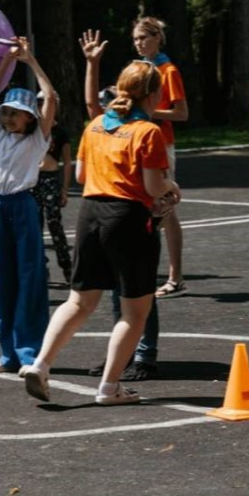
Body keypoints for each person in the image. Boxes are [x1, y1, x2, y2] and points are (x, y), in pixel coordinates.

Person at [23, 60, 179, 405]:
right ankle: (110, 388)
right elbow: (154, 187)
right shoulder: (148, 131)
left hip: (90, 215)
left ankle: (40, 363)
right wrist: (171, 184)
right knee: (134, 312)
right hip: (127, 219)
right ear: (153, 94)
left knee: (78, 301)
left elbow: (80, 176)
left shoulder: (95, 126)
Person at [80, 28, 162, 381]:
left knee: (138, 293)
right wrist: (92, 64)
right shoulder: (107, 121)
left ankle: (143, 354)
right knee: (125, 290)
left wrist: (167, 188)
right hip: (116, 209)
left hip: (132, 204)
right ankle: (125, 358)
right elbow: (90, 107)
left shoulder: (144, 128)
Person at [0, 38, 57, 374]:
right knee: (5, 278)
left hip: (22, 206)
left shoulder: (38, 138)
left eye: (17, 114)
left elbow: (51, 98)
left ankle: (30, 353)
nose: (10, 117)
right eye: (7, 112)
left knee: (29, 276)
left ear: (30, 118)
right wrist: (4, 61)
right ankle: (8, 353)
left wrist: (30, 61)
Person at [126, 17, 188, 300]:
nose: (139, 43)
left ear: (157, 38)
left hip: (161, 143)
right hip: (139, 140)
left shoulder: (168, 70)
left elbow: (182, 113)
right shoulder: (138, 69)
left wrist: (150, 112)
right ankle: (150, 272)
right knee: (146, 206)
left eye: (143, 38)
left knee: (165, 208)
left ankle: (175, 276)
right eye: (136, 38)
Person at [31, 92, 73, 285]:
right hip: (34, 180)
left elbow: (66, 162)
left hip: (50, 180)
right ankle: (41, 266)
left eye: (46, 103)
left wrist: (64, 189)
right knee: (35, 226)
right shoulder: (33, 129)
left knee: (55, 224)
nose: (43, 107)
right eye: (38, 104)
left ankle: (66, 266)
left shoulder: (61, 131)